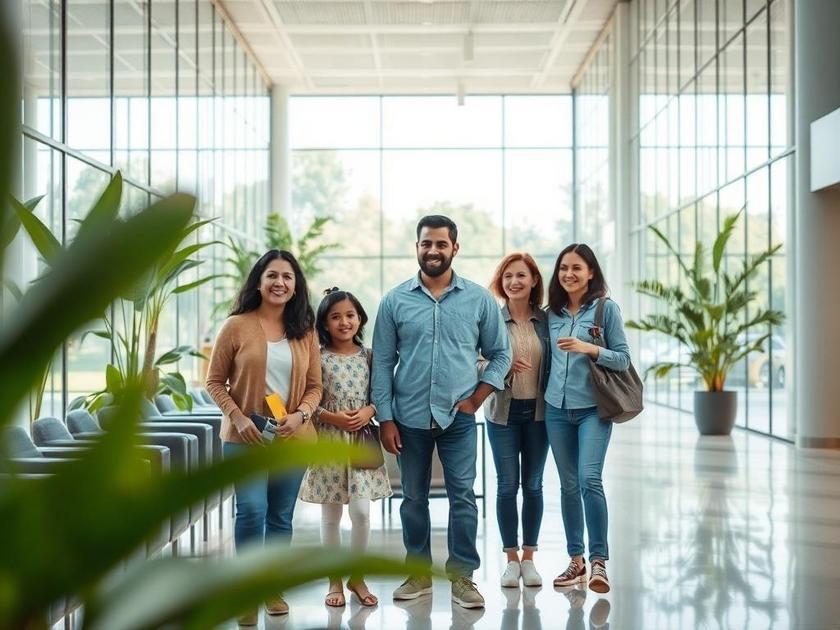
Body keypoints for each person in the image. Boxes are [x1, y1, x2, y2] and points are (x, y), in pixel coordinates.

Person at [372, 215, 512, 609]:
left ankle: (462, 577)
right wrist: (385, 417)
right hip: (408, 418)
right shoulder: (395, 300)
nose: (433, 250)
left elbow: (501, 353)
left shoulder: (479, 299)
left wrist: (478, 397)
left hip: (459, 418)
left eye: (440, 244)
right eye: (426, 244)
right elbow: (382, 362)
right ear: (417, 247)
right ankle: (418, 573)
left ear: (454, 248)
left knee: (463, 497)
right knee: (412, 498)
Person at [205, 250, 322, 624]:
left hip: (293, 437)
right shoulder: (236, 326)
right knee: (252, 511)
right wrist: (237, 418)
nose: (279, 283)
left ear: (295, 286)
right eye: (272, 275)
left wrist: (301, 416)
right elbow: (213, 382)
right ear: (259, 281)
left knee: (280, 516)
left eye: (287, 277)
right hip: (245, 438)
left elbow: (316, 387)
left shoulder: (304, 329)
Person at [544, 243, 631, 594]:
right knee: (567, 485)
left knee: (589, 479)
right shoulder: (551, 314)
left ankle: (599, 563)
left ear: (591, 272)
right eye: (563, 267)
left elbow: (623, 359)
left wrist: (589, 348)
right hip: (555, 409)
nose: (569, 274)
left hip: (593, 410)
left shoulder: (605, 310)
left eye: (576, 268)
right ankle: (575, 560)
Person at [299, 287, 392, 608]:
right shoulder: (316, 356)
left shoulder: (369, 356)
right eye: (335, 316)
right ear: (324, 322)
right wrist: (333, 418)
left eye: (350, 315)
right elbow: (306, 400)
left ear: (360, 318)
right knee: (331, 516)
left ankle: (357, 575)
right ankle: (334, 580)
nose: (344, 322)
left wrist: (369, 411)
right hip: (328, 440)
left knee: (362, 513)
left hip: (362, 441)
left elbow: (381, 394)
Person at [483, 253, 550, 588]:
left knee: (534, 485)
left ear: (534, 280)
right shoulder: (492, 321)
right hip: (503, 414)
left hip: (540, 414)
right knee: (507, 485)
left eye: (521, 275)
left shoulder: (548, 321)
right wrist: (503, 369)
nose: (514, 282)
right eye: (507, 276)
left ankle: (529, 559)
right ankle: (511, 561)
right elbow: (476, 362)